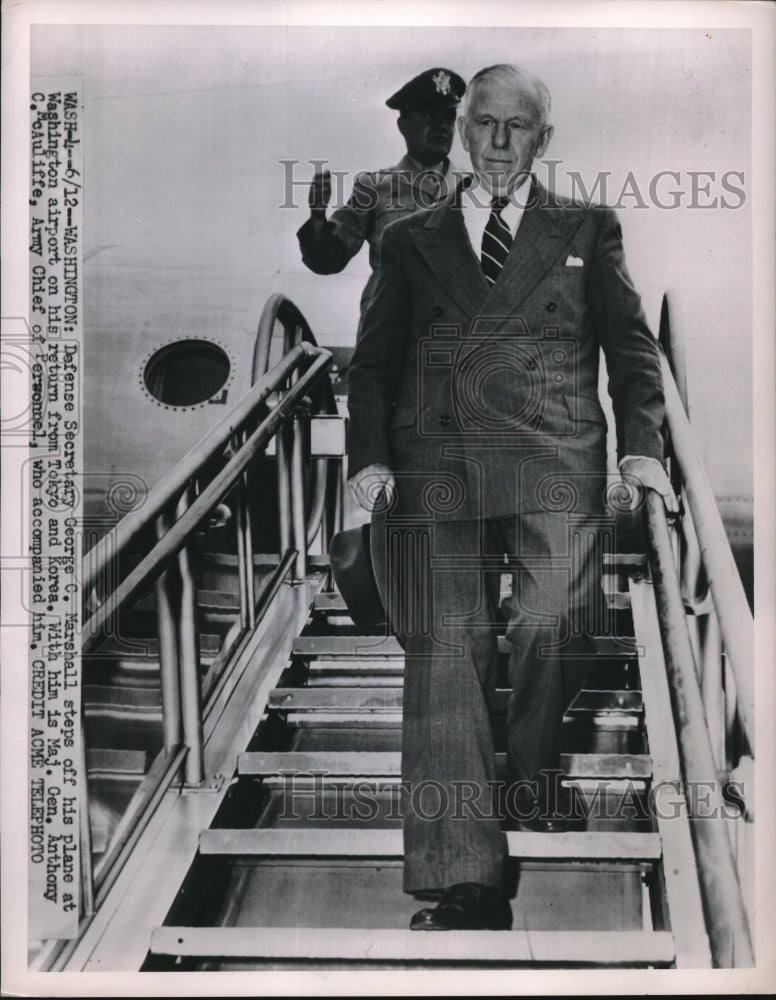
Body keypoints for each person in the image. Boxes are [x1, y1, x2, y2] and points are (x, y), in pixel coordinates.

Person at [346, 63, 677, 931]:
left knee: (549, 624)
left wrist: (643, 454)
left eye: (516, 126)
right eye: (483, 124)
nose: (496, 142)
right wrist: (370, 461)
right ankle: (468, 878)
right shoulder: (409, 237)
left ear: (544, 138)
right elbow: (374, 368)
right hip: (435, 465)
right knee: (449, 644)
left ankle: (531, 776)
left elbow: (633, 354)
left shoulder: (588, 228)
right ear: (462, 132)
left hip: (554, 457)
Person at [297, 67, 466, 341]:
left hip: (456, 338)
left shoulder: (475, 190)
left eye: (448, 117)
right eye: (429, 115)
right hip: (389, 336)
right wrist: (318, 215)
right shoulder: (374, 187)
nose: (441, 125)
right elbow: (329, 259)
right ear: (403, 125)